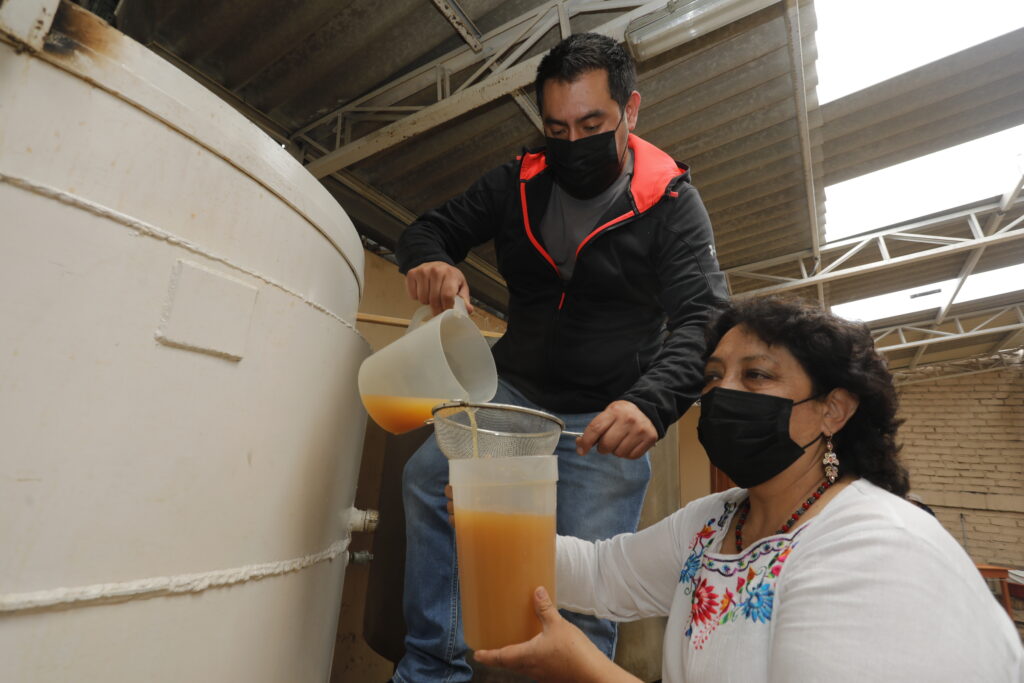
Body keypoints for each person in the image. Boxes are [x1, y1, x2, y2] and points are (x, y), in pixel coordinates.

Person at [393, 32, 729, 682]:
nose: (572, 143)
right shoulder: (517, 181)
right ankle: (434, 668)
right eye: (557, 128)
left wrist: (649, 402)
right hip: (513, 389)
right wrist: (430, 259)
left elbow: (704, 320)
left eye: (592, 124)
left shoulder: (671, 205)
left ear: (631, 110)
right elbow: (430, 227)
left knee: (588, 576)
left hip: (603, 414)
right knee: (429, 481)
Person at [472, 296, 1024, 682]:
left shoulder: (873, 546)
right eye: (713, 377)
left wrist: (586, 670)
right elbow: (599, 574)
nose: (721, 394)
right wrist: (497, 517)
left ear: (832, 409)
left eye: (756, 376)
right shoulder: (716, 522)